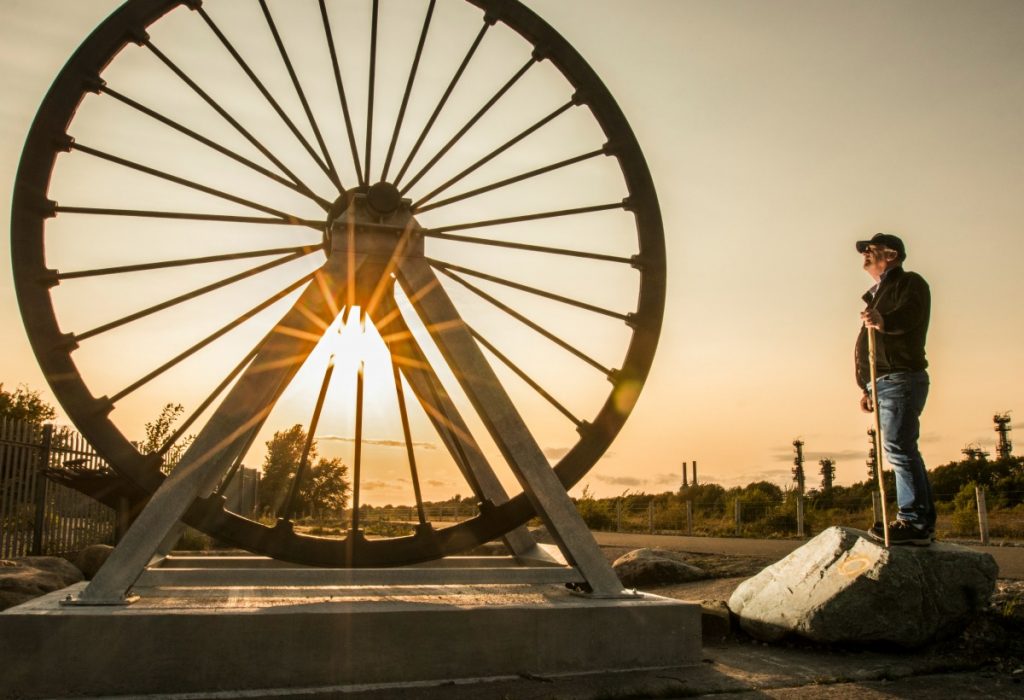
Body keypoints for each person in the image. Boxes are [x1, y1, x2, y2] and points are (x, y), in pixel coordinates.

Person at [855, 232, 935, 546]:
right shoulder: (878, 294)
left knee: (899, 449)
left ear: (891, 255)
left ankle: (913, 521)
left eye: (870, 250)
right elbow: (873, 347)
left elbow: (911, 317)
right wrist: (866, 387)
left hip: (901, 377)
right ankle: (920, 521)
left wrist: (883, 319)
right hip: (884, 382)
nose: (864, 254)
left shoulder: (909, 283)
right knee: (901, 449)